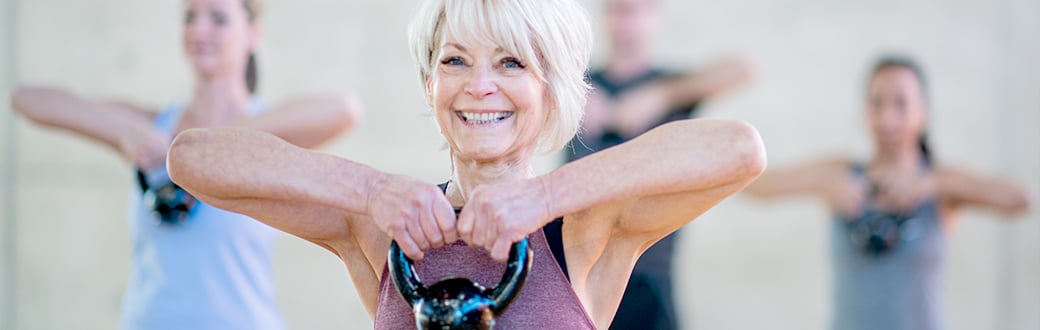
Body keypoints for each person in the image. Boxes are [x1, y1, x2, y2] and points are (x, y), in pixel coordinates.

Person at [166, 0, 765, 328]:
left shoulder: (586, 231)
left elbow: (739, 149)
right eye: (455, 61)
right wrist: (369, 188)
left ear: (551, 87)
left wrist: (546, 198)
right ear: (430, 85)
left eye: (510, 63)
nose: (479, 87)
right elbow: (192, 156)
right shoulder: (381, 228)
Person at [9, 0, 361, 329]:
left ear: (253, 33)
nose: (199, 30)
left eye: (218, 18)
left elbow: (346, 109)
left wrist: (212, 145)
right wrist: (122, 130)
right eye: (189, 17)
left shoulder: (268, 138)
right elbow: (26, 98)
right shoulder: (154, 126)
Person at [743, 56, 1031, 330]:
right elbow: (755, 186)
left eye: (900, 104)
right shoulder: (840, 173)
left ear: (923, 112)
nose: (886, 117)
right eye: (876, 103)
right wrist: (829, 185)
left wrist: (934, 184)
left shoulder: (941, 182)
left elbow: (1022, 199)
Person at [571, 0, 756, 328]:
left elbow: (744, 68)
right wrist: (569, 93)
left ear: (654, 16)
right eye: (615, 10)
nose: (623, 21)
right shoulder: (577, 88)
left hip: (649, 278)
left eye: (633, 10)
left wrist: (661, 96)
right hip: (576, 272)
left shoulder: (672, 87)